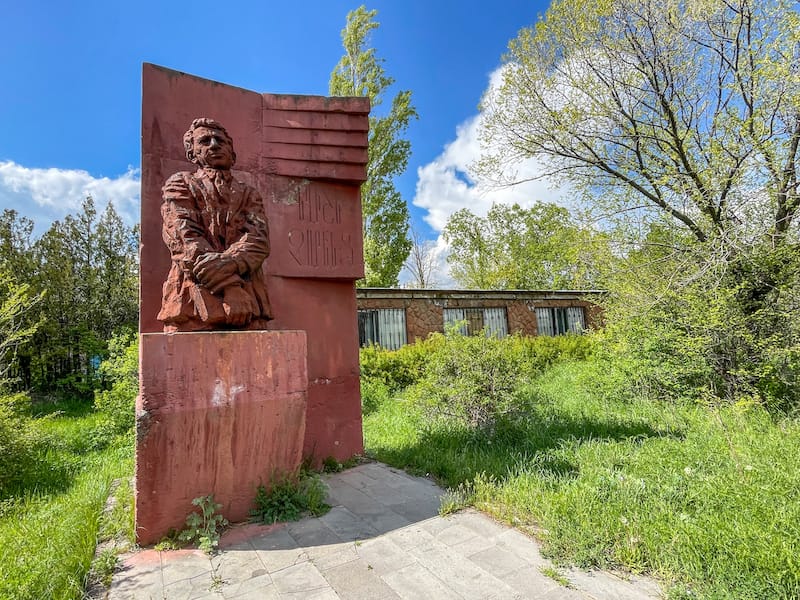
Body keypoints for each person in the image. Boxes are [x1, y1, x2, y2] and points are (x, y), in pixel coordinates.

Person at [157, 118, 273, 331]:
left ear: (232, 153)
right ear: (192, 154)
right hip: (190, 303)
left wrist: (228, 265)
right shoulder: (180, 184)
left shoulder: (249, 194)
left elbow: (258, 241)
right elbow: (184, 238)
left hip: (251, 303)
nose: (214, 145)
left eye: (220, 140)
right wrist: (230, 287)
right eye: (205, 141)